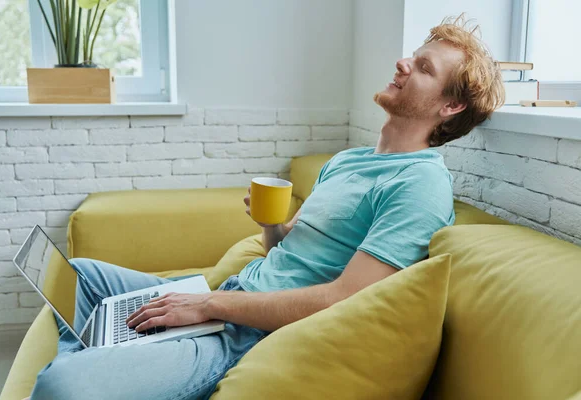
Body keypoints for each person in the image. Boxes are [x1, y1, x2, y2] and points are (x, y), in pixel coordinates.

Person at [28, 15, 504, 400]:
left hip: (246, 333)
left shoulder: (419, 184)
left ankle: (106, 362)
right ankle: (115, 353)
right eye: (412, 57)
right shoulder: (349, 160)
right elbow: (286, 252)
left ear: (451, 107)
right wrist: (271, 226)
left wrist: (209, 305)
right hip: (235, 294)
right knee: (83, 274)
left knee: (60, 385)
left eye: (424, 69)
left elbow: (344, 298)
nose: (402, 64)